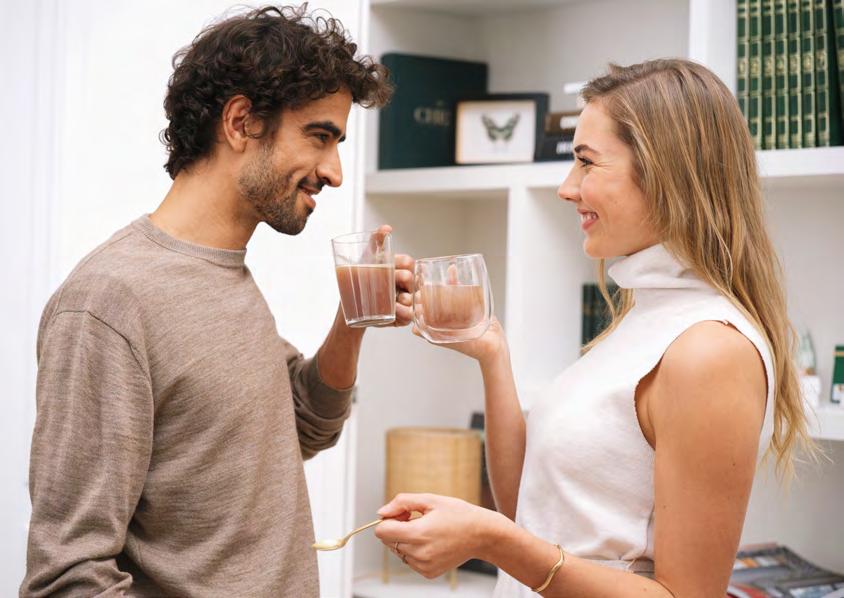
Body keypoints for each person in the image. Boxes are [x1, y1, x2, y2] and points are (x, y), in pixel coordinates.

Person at [374, 58, 816, 596]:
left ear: (665, 171)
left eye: (586, 163)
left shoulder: (710, 349)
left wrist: (492, 539)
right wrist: (492, 353)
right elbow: (530, 513)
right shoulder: (647, 319)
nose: (567, 188)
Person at [21, 6, 408, 597]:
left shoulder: (224, 275)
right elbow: (68, 577)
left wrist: (353, 318)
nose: (334, 172)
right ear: (240, 122)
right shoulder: (108, 302)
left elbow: (303, 425)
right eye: (320, 137)